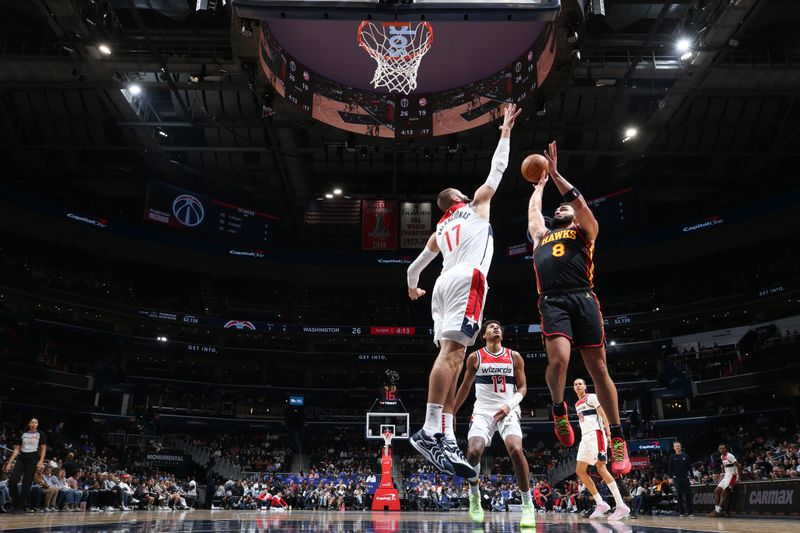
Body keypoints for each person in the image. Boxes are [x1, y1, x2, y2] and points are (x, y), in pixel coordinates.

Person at [407, 103, 522, 477]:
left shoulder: (439, 231)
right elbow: (498, 170)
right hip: (467, 280)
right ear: (457, 197)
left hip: (440, 284)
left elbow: (413, 269)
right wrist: (504, 131)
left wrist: (413, 290)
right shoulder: (475, 205)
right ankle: (428, 429)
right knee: (454, 356)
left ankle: (441, 432)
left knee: (451, 355)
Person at [527, 141, 630, 475]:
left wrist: (555, 174)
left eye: (563, 208)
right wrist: (539, 187)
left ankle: (617, 438)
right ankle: (559, 410)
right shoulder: (542, 235)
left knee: (599, 369)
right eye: (555, 208)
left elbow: (579, 202)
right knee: (558, 361)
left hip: (583, 296)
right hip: (553, 300)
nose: (559, 209)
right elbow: (533, 216)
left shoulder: (586, 231)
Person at [453, 320, 535, 528]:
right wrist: (451, 412)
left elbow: (523, 388)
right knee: (473, 452)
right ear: (484, 336)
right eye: (491, 327)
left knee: (516, 449)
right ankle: (474, 497)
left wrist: (509, 405)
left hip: (508, 408)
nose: (496, 328)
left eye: (499, 326)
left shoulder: (514, 356)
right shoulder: (475, 357)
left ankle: (527, 505)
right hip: (482, 411)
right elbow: (464, 387)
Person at [572, 379, 630, 520]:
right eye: (575, 384)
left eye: (580, 383)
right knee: (580, 470)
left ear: (585, 387)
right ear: (574, 388)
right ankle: (600, 503)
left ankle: (621, 505)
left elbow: (603, 414)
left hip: (596, 433)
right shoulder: (577, 404)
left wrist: (608, 432)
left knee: (601, 468)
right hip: (585, 438)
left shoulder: (591, 397)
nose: (578, 385)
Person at [4, 417, 47, 513]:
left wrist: (41, 461)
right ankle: (15, 503)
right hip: (21, 458)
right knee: (12, 480)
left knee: (26, 484)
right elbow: (17, 449)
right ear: (29, 424)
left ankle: (20, 507)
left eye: (36, 422)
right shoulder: (23, 434)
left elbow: (43, 448)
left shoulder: (41, 434)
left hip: (33, 459)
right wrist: (10, 462)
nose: (34, 424)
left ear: (37, 425)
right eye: (32, 422)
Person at [708, 444, 740, 518]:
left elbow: (738, 466)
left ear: (726, 449)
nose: (721, 450)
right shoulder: (722, 457)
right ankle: (716, 510)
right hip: (726, 476)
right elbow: (726, 467)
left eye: (723, 448)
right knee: (716, 491)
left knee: (724, 492)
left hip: (732, 476)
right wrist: (723, 475)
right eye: (720, 449)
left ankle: (718, 511)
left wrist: (738, 478)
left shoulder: (730, 456)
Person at [668, 441, 693, 516]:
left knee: (688, 495)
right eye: (676, 446)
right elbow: (670, 468)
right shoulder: (672, 456)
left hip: (685, 478)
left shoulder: (685, 455)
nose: (677, 447)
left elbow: (689, 467)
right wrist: (670, 477)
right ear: (674, 448)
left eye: (678, 446)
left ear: (680, 447)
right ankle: (681, 512)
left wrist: (692, 477)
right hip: (676, 478)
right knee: (679, 495)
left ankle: (690, 512)